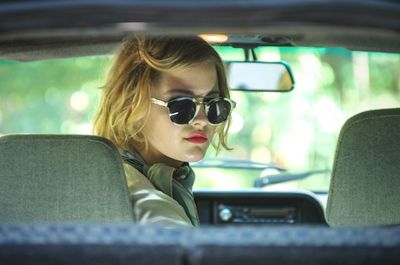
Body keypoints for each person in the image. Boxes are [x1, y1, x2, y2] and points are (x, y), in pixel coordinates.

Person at [93, 36, 236, 227]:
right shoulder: (145, 203)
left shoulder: (116, 176)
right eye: (182, 106)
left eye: (214, 105)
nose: (202, 120)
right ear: (132, 105)